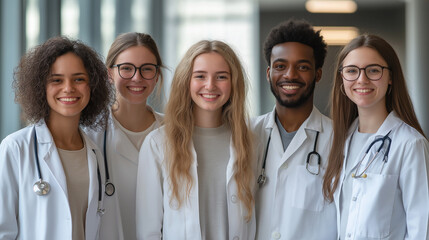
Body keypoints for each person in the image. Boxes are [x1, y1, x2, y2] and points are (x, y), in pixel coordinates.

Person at [135, 40, 256, 239]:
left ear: (234, 83)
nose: (210, 85)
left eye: (221, 77)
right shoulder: (158, 144)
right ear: (186, 81)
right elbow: (148, 231)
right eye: (200, 76)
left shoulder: (250, 142)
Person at [0, 36, 114, 240]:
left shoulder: (95, 152)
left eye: (79, 79)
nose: (69, 88)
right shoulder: (16, 148)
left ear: (92, 86)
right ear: (40, 87)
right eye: (56, 80)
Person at [323, 34, 429, 240]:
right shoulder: (338, 141)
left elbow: (422, 230)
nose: (362, 79)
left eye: (373, 70)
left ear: (390, 77)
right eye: (352, 71)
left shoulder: (409, 144)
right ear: (341, 78)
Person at [252, 19, 337, 239]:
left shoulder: (340, 140)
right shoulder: (247, 134)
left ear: (318, 74)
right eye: (281, 66)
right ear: (269, 73)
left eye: (302, 67)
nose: (290, 75)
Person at [85, 32, 165, 240]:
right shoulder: (89, 135)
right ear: (109, 74)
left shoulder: (175, 131)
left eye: (147, 69)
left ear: (157, 75)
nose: (137, 77)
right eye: (126, 68)